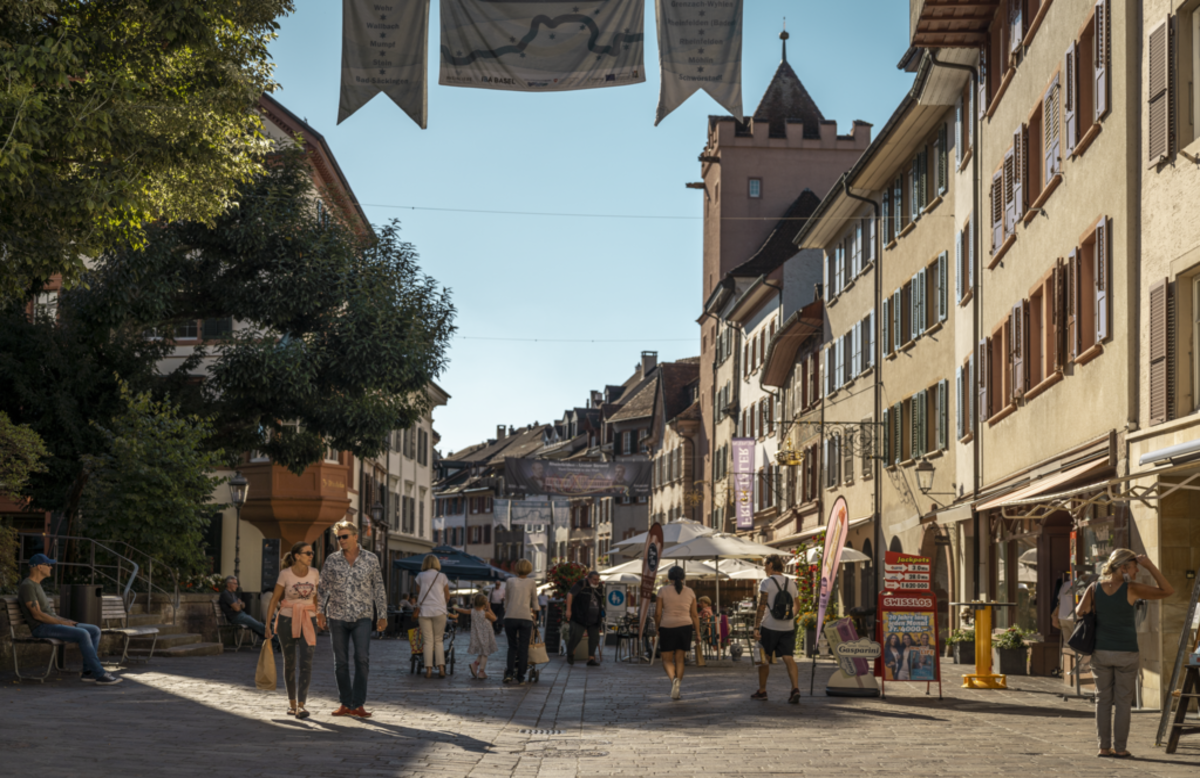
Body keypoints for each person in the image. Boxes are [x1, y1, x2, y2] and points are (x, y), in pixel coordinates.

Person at [1076, 548, 1175, 759]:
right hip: (1126, 652)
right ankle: (1120, 748)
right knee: (1122, 702)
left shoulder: (1094, 588)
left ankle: (1104, 748)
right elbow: (1167, 591)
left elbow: (1079, 612)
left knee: (1102, 700)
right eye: (1134, 567)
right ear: (1123, 568)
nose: (1137, 570)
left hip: (1100, 651)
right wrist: (1150, 566)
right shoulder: (1132, 589)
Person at [317, 520, 387, 718]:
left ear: (356, 537)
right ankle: (346, 703)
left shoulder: (371, 559)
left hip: (363, 616)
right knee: (340, 662)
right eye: (338, 537)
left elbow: (379, 588)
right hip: (337, 616)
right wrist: (319, 612)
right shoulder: (332, 560)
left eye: (344, 536)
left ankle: (359, 704)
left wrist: (382, 615)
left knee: (361, 659)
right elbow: (323, 588)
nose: (341, 540)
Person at [18, 554, 122, 685]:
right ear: (39, 567)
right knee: (83, 633)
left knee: (94, 630)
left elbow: (49, 613)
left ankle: (88, 672)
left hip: (49, 624)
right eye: (48, 565)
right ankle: (99, 674)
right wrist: (63, 623)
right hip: (41, 627)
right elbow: (37, 615)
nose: (51, 567)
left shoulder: (36, 585)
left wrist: (66, 621)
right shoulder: (28, 586)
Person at [264, 542, 320, 719]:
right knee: (289, 662)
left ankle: (302, 705)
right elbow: (274, 600)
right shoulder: (285, 574)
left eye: (312, 553)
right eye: (308, 553)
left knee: (307, 662)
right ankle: (292, 703)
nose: (311, 556)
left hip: (308, 620)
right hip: (287, 620)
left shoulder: (315, 573)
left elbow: (316, 597)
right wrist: (267, 624)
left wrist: (318, 616)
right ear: (297, 556)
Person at [752, 554, 801, 704]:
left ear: (771, 564)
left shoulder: (766, 582)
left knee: (764, 658)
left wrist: (756, 626)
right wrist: (788, 618)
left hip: (769, 626)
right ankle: (795, 689)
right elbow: (797, 606)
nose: (764, 567)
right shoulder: (791, 583)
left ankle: (762, 691)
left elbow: (761, 605)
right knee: (788, 657)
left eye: (765, 564)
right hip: (788, 627)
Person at [656, 566, 701, 700]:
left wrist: (658, 627)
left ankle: (673, 680)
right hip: (685, 626)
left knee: (666, 660)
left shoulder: (662, 591)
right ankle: (678, 685)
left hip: (667, 626)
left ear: (669, 577)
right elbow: (694, 615)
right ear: (683, 577)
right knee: (680, 660)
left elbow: (658, 613)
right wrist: (698, 633)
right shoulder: (690, 591)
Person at [502, 559, 540, 684]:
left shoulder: (509, 581)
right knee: (524, 648)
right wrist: (537, 612)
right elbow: (534, 601)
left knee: (512, 646)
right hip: (525, 618)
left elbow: (506, 600)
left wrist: (506, 610)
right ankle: (521, 676)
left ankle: (509, 673)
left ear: (516, 568)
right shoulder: (531, 582)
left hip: (510, 617)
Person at [414, 554, 451, 679]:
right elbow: (447, 596)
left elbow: (419, 592)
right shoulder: (442, 576)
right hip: (439, 611)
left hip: (424, 611)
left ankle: (428, 670)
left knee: (428, 641)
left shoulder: (420, 576)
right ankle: (441, 669)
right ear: (436, 563)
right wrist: (441, 604)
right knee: (438, 640)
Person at [218, 575, 276, 650]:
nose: (237, 586)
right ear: (229, 584)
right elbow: (236, 608)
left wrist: (239, 605)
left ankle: (273, 642)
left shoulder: (232, 594)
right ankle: (277, 641)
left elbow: (243, 605)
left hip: (241, 615)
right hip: (236, 617)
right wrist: (238, 605)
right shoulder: (226, 594)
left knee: (257, 626)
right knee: (258, 625)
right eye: (235, 584)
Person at [565, 570, 604, 666]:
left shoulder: (600, 587)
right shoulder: (582, 583)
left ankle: (590, 659)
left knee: (594, 638)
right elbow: (570, 594)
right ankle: (570, 653)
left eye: (597, 580)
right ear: (588, 578)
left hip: (594, 618)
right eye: (594, 579)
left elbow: (600, 601)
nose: (596, 581)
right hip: (580, 616)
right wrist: (568, 610)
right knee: (576, 636)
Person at [454, 594, 498, 678]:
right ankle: (481, 672)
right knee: (485, 653)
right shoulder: (486, 613)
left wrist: (455, 608)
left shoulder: (472, 611)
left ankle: (475, 664)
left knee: (482, 651)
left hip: (477, 636)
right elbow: (495, 618)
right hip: (485, 636)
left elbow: (463, 610)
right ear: (484, 604)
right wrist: (489, 609)